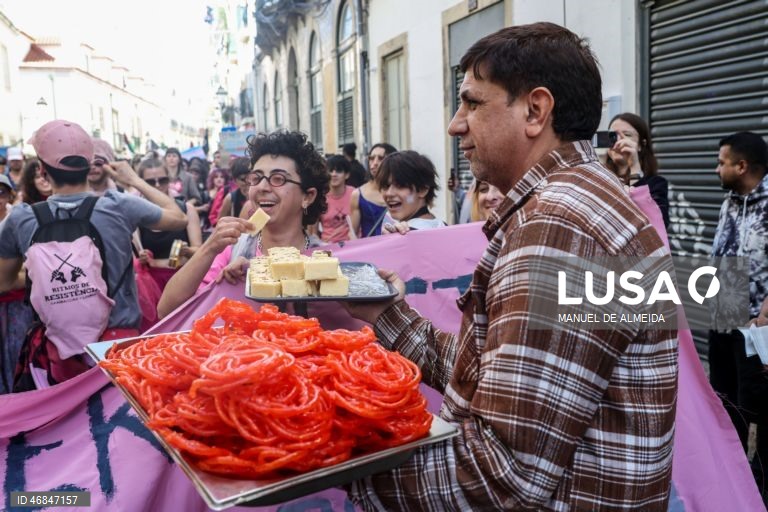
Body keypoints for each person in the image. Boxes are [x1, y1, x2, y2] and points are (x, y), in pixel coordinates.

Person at [344, 23, 677, 510]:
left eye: (472, 103)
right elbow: (492, 377)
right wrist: (385, 315)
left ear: (535, 111)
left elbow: (499, 474)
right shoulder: (576, 205)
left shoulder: (562, 226)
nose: (456, 124)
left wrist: (313, 455)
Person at [0, 120, 187, 388]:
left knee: (65, 428)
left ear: (42, 169)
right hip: (117, 350)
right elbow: (178, 217)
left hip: (58, 356)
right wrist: (133, 179)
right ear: (88, 167)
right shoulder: (118, 206)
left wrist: (46, 275)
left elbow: (4, 281)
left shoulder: (21, 219)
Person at [157, 131, 329, 318]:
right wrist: (209, 247)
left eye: (278, 179)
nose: (262, 187)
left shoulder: (325, 259)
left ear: (307, 196)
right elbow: (166, 309)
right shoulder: (232, 249)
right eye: (256, 178)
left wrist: (260, 270)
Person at [709, 131, 768, 492]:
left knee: (759, 409)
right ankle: (731, 482)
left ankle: (760, 488)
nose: (717, 169)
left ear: (741, 166)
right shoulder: (730, 200)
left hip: (757, 326)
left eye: (721, 162)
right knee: (725, 405)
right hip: (724, 318)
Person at [136, 158, 202, 292]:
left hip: (182, 280)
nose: (157, 185)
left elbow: (200, 252)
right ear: (141, 183)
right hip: (150, 285)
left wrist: (187, 250)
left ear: (169, 180)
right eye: (150, 182)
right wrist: (141, 256)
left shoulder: (186, 209)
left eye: (163, 180)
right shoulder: (135, 213)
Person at [604, 112, 669, 228]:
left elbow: (659, 224)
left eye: (627, 135)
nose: (618, 142)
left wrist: (634, 166)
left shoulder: (656, 184)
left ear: (641, 144)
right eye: (613, 136)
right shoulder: (600, 178)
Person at [377, 150, 444, 232]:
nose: (389, 193)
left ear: (423, 189)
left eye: (400, 185)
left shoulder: (408, 234)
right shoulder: (443, 227)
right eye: (385, 186)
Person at [349, 142, 397, 238]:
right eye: (371, 158)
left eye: (381, 158)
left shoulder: (401, 192)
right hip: (370, 250)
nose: (375, 163)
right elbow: (352, 233)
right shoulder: (357, 194)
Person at [313, 155, 355, 243]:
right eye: (330, 170)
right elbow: (313, 234)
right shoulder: (320, 197)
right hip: (328, 249)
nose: (334, 174)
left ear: (347, 175)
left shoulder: (354, 194)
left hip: (352, 247)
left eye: (338, 171)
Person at [216, 157, 252, 225]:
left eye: (252, 178)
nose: (249, 182)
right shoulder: (231, 198)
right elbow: (220, 223)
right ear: (235, 181)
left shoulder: (262, 195)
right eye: (243, 179)